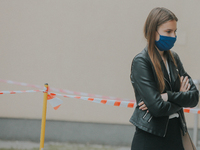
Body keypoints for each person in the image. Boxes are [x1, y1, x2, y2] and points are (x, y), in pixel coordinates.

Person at [129, 7, 199, 150]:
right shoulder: (141, 62)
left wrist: (167, 96)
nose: (173, 36)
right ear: (153, 32)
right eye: (168, 32)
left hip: (176, 133)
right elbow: (157, 108)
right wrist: (180, 97)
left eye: (175, 31)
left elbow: (194, 98)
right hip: (151, 137)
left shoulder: (174, 58)